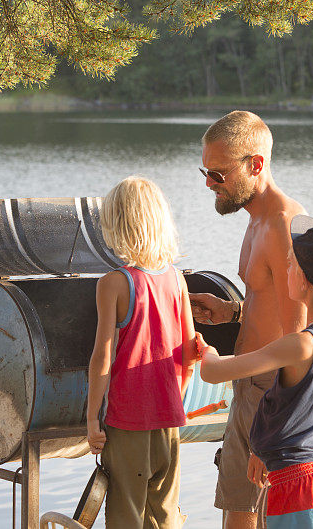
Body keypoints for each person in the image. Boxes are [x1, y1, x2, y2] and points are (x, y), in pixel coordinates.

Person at [197, 215, 313, 529]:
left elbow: (213, 373)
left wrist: (204, 349)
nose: (287, 272)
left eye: (291, 265)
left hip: (297, 487)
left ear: (304, 280)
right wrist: (281, 443)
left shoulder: (300, 345)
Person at [190, 110, 307, 529]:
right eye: (206, 171)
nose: (208, 182)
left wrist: (274, 431)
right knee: (236, 516)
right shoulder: (256, 219)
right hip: (248, 388)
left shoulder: (283, 225)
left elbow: (303, 339)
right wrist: (231, 312)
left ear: (255, 165)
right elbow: (273, 304)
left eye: (218, 174)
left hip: (270, 395)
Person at [86, 176, 197, 529]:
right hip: (169, 422)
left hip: (126, 422)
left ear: (115, 226)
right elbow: (190, 353)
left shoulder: (113, 283)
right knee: (164, 515)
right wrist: (175, 397)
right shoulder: (176, 279)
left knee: (126, 515)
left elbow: (102, 358)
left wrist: (91, 420)